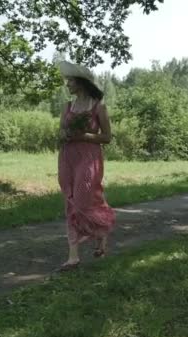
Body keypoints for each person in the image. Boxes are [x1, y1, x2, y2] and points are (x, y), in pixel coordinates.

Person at [56, 61, 116, 271]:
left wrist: (84, 135)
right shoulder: (67, 106)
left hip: (89, 158)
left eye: (70, 80)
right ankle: (73, 256)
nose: (67, 84)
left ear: (80, 83)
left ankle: (101, 231)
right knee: (70, 201)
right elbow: (61, 132)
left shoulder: (99, 107)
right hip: (67, 157)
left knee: (84, 200)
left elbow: (107, 137)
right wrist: (63, 134)